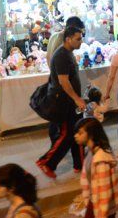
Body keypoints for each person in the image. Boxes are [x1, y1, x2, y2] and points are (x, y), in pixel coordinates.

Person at [36, 26, 86, 179]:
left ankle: (79, 164)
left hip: (70, 102)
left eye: (81, 38)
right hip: (65, 103)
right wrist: (77, 99)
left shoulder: (67, 53)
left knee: (77, 132)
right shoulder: (61, 55)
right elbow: (64, 82)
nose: (81, 41)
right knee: (68, 134)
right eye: (78, 39)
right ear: (68, 39)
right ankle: (47, 162)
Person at [74, 118, 118, 218]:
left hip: (103, 207)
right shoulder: (90, 152)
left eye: (80, 133)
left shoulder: (100, 160)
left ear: (90, 134)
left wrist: (102, 214)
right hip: (94, 200)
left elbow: (105, 192)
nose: (76, 136)